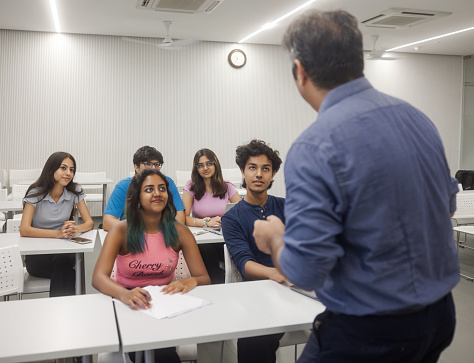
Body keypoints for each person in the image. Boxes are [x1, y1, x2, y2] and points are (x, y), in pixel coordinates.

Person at [253, 10, 460, 363]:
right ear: (357, 60)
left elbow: (304, 271)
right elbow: (447, 207)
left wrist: (274, 237)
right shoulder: (417, 119)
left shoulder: (314, 146)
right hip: (439, 317)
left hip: (369, 333)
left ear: (300, 71)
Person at [93, 168, 210, 363]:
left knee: (162, 352)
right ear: (137, 197)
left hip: (164, 302)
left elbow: (204, 278)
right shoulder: (121, 230)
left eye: (162, 188)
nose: (157, 193)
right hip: (128, 302)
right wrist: (124, 293)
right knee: (146, 351)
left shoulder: (181, 232)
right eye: (149, 189)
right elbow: (98, 277)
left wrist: (190, 281)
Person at [221, 139, 286, 363]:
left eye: (265, 169)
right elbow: (245, 265)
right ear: (242, 171)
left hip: (296, 287)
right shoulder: (232, 218)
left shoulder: (286, 207)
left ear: (273, 173)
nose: (259, 174)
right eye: (252, 168)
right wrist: (275, 274)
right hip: (259, 294)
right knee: (255, 341)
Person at [20, 151, 94, 297]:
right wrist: (58, 234)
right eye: (63, 168)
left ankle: (58, 313)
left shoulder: (75, 191)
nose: (68, 173)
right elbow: (24, 229)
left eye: (71, 170)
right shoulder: (35, 193)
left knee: (63, 262)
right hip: (37, 255)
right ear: (50, 170)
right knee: (68, 270)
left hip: (63, 251)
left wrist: (74, 229)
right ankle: (69, 311)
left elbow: (90, 223)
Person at [182, 148, 241, 284]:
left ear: (216, 164)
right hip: (203, 237)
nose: (205, 168)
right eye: (200, 165)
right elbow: (184, 217)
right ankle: (216, 283)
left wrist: (226, 220)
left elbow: (242, 211)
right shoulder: (191, 186)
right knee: (207, 250)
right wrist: (205, 222)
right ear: (196, 168)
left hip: (223, 235)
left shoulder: (227, 186)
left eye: (209, 163)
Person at [103, 146, 185, 231]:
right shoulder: (124, 186)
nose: (153, 168)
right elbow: (108, 222)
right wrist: (143, 231)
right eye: (148, 164)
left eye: (156, 164)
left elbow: (180, 217)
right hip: (134, 238)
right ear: (136, 167)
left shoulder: (167, 183)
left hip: (164, 235)